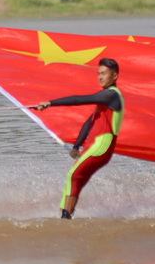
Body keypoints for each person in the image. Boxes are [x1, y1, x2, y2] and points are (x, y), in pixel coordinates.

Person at [35, 58, 123, 219]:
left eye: (104, 73)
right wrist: (76, 146)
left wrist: (50, 103)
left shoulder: (111, 95)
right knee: (75, 179)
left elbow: (79, 100)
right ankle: (65, 216)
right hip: (94, 145)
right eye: (98, 74)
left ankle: (65, 218)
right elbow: (88, 123)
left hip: (102, 144)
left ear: (115, 76)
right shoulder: (104, 102)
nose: (100, 77)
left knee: (73, 176)